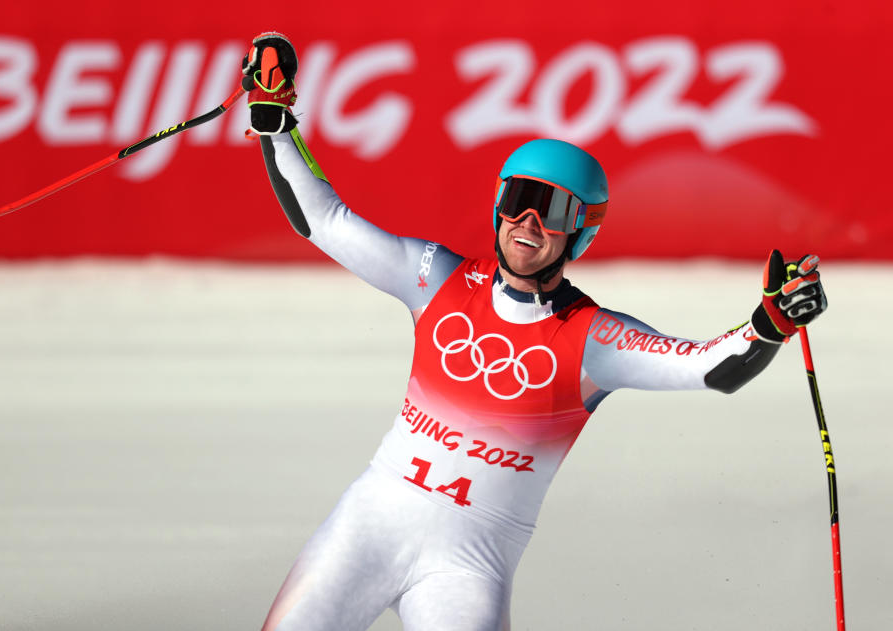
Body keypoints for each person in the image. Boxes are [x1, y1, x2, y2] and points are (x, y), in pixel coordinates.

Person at [242, 33, 827, 631]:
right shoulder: (434, 277)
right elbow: (322, 218)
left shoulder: (594, 338)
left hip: (467, 566)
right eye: (519, 200)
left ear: (580, 233)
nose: (528, 223)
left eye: (551, 212)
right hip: (367, 528)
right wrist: (275, 121)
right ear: (498, 205)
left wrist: (770, 323)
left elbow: (710, 367)